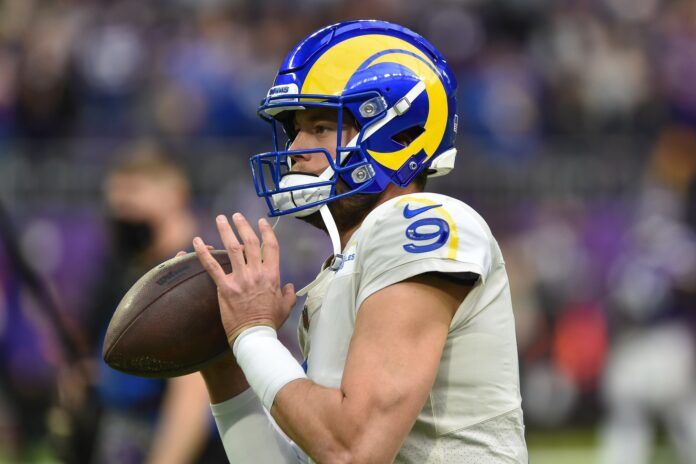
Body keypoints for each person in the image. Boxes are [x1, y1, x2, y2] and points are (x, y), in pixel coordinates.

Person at [193, 21, 528, 463]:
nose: (295, 148)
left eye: (319, 127)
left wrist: (254, 336)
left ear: (399, 133)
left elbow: (354, 449)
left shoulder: (422, 223)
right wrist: (227, 363)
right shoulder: (342, 269)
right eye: (296, 129)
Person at [59, 144, 225, 464]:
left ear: (175, 194)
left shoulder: (196, 276)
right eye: (116, 204)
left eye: (133, 199)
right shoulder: (123, 268)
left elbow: (191, 401)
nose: (122, 214)